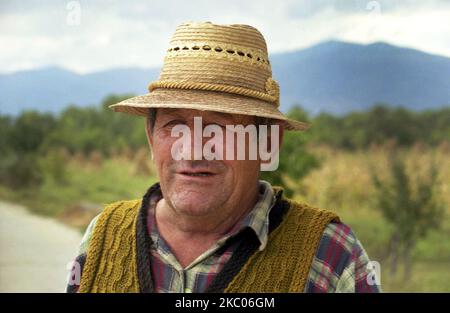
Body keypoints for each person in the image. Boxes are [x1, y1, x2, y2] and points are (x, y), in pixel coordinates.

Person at [66, 21, 381, 293]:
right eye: (175, 125)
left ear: (268, 141)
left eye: (220, 128)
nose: (193, 149)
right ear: (151, 138)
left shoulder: (331, 254)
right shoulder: (103, 235)